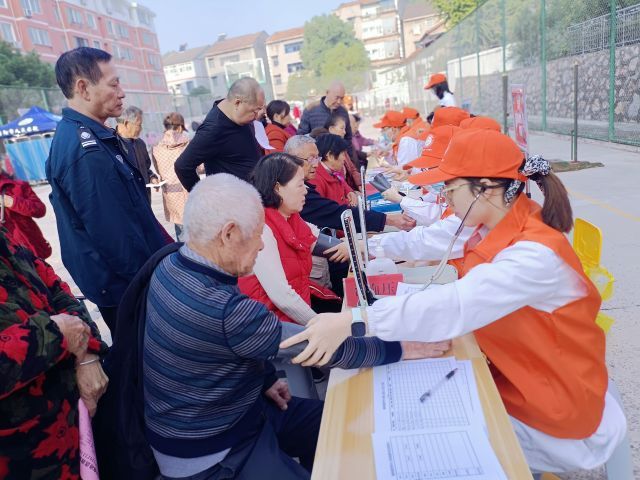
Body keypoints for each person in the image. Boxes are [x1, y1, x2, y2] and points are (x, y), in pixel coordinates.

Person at [281, 129, 627, 475]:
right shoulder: (490, 224)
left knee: (424, 445)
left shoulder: (534, 255)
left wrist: (356, 320)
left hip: (555, 405)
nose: (445, 197)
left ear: (485, 188)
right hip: (521, 377)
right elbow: (429, 241)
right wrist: (369, 248)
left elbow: (458, 303)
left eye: (450, 187)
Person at [142, 174, 449, 479]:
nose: (262, 246)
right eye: (257, 235)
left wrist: (264, 380)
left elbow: (223, 346)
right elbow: (322, 346)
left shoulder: (172, 264)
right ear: (229, 233)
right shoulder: (224, 309)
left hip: (236, 408)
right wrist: (401, 348)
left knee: (335, 422)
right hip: (213, 450)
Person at [46, 47, 171, 333]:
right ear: (83, 88)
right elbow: (116, 236)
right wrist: (152, 284)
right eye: (113, 84)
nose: (122, 93)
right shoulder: (85, 151)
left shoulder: (91, 136)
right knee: (145, 355)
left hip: (128, 281)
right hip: (128, 286)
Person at [0, 227, 109, 478]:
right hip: (23, 458)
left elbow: (55, 286)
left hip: (74, 431)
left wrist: (86, 353)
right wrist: (54, 334)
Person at [238, 153, 349, 325]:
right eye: (300, 184)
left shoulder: (290, 217)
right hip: (272, 325)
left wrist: (351, 246)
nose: (306, 190)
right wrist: (321, 325)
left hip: (295, 313)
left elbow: (316, 240)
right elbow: (282, 297)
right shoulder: (262, 229)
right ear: (277, 188)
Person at [284, 135, 416, 235]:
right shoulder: (308, 186)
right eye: (310, 159)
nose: (316, 164)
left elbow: (341, 185)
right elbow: (334, 213)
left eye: (316, 158)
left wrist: (350, 191)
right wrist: (388, 220)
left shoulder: (321, 175)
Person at [174, 77, 265, 189]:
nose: (256, 116)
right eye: (255, 111)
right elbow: (182, 166)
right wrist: (203, 194)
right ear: (237, 103)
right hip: (234, 197)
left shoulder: (237, 116)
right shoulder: (213, 129)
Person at [152, 112, 191, 241]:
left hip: (172, 194)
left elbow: (158, 170)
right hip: (190, 192)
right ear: (179, 127)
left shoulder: (157, 147)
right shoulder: (188, 144)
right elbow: (200, 166)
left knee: (180, 232)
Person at [0, 169, 51, 258]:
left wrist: (13, 203)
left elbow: (40, 209)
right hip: (9, 257)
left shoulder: (18, 185)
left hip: (33, 249)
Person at [115, 105, 158, 203]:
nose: (141, 129)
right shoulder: (112, 145)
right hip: (126, 202)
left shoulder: (140, 144)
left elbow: (146, 168)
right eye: (139, 125)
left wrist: (152, 177)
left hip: (145, 199)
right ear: (126, 123)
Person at [297, 80, 353, 156]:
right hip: (317, 157)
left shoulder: (343, 111)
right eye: (337, 97)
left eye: (342, 98)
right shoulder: (311, 110)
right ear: (327, 93)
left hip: (339, 158)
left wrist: (349, 157)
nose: (339, 101)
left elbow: (348, 137)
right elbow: (301, 137)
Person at [310, 134, 358, 207]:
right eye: (343, 154)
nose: (344, 159)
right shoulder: (316, 179)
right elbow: (324, 209)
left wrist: (350, 192)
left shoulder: (334, 170)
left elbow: (343, 183)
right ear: (330, 156)